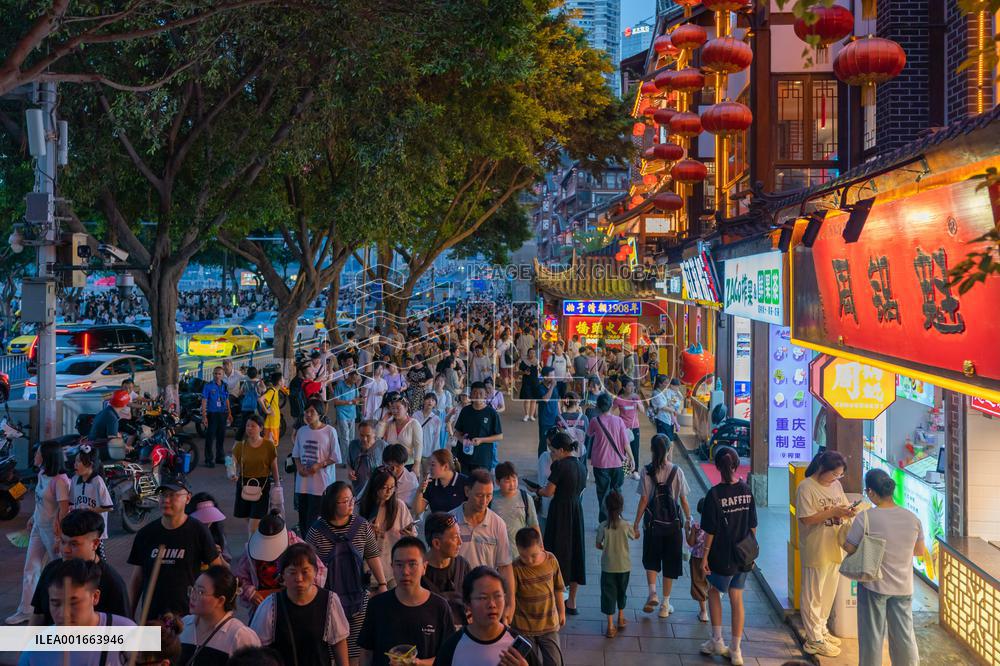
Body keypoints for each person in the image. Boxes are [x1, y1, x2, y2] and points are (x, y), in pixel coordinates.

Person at [845, 469, 924, 666]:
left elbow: (849, 547)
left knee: (871, 637)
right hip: (903, 586)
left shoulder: (866, 518)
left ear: (871, 492)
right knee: (904, 636)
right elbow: (919, 551)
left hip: (874, 585)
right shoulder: (912, 518)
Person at [305, 482, 388, 663]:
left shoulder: (362, 526)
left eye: (352, 499)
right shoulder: (316, 531)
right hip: (327, 603)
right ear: (331, 503)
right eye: (345, 501)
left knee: (355, 653)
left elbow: (372, 555)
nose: (351, 504)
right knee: (331, 652)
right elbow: (307, 564)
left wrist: (382, 584)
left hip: (358, 599)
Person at [128, 477, 223, 620]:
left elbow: (218, 572)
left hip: (188, 619)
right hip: (152, 619)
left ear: (188, 498)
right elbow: (137, 578)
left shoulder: (198, 531)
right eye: (163, 495)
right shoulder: (146, 534)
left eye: (173, 495)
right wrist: (129, 615)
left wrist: (213, 613)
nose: (166, 500)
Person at [699, 446, 757, 666]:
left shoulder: (714, 495)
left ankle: (717, 640)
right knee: (737, 598)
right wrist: (750, 549)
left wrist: (704, 557)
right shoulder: (746, 491)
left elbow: (710, 531)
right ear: (736, 465)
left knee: (714, 592)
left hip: (721, 555)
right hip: (743, 555)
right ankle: (736, 650)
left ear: (717, 466)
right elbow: (753, 525)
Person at [17, 559, 136, 666]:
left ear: (95, 597)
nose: (64, 614)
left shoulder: (126, 632)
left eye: (73, 603)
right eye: (56, 604)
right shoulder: (36, 650)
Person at [358, 537, 454, 666]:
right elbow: (366, 653)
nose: (405, 571)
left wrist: (419, 663)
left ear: (424, 567)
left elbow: (449, 657)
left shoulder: (440, 607)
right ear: (392, 567)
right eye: (399, 565)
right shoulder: (377, 605)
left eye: (412, 564)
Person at [250, 543, 350, 666]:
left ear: (315, 572)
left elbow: (338, 642)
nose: (299, 578)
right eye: (292, 572)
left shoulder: (329, 601)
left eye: (305, 572)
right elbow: (259, 648)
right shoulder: (271, 605)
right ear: (282, 575)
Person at [796, 450, 855, 658]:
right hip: (816, 547)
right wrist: (833, 512)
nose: (836, 478)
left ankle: (821, 629)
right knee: (813, 594)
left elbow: (842, 505)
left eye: (840, 475)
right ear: (822, 469)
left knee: (828, 593)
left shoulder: (836, 485)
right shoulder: (806, 487)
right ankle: (813, 639)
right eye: (834, 474)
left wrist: (847, 512)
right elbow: (806, 519)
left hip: (834, 546)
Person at [29, 510, 130, 626]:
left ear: (95, 544)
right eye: (63, 542)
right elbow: (38, 615)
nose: (65, 550)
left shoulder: (112, 582)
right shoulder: (51, 570)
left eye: (74, 544)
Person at [8, 440, 71, 625]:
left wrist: (59, 537)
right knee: (31, 568)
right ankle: (25, 610)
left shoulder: (61, 481)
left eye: (38, 453)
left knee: (60, 570)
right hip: (38, 528)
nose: (35, 455)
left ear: (47, 457)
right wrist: (33, 517)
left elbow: (64, 510)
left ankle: (65, 610)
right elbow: (40, 501)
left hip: (52, 532)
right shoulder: (42, 474)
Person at [632, 433, 691, 619]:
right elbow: (683, 500)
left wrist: (636, 523)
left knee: (651, 558)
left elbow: (643, 500)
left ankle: (652, 593)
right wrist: (689, 520)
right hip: (673, 526)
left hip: (652, 525)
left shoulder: (646, 471)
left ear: (651, 449)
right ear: (669, 449)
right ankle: (665, 605)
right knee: (670, 562)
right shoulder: (677, 471)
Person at [449, 469, 516, 622]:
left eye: (489, 495)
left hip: (486, 599)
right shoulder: (451, 520)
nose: (484, 501)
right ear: (467, 491)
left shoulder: (497, 524)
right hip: (456, 597)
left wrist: (510, 603)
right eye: (479, 495)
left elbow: (505, 566)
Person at [434, 566, 536, 666]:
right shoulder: (452, 647)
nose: (492, 604)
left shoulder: (517, 648)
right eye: (483, 598)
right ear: (468, 603)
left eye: (497, 596)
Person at [233, 510, 327, 618]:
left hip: (295, 606)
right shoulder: (251, 549)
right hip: (264, 608)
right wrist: (251, 593)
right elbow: (240, 578)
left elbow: (320, 570)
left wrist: (303, 589)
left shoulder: (296, 545)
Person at [534, 431, 586, 616]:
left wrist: (537, 491)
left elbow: (549, 492)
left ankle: (555, 601)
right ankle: (572, 601)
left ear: (562, 450)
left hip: (560, 511)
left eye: (554, 451)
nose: (552, 454)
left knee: (555, 552)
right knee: (576, 553)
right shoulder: (581, 466)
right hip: (576, 510)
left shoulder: (560, 465)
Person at [180, 565, 261, 666]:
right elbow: (161, 656)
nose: (192, 596)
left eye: (200, 592)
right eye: (193, 589)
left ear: (220, 601)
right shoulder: (183, 624)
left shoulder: (240, 636)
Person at [511, 528, 565, 666]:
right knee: (528, 662)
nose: (529, 560)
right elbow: (511, 596)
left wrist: (562, 611)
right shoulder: (515, 567)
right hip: (523, 627)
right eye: (523, 556)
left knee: (554, 661)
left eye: (533, 555)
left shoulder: (551, 560)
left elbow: (558, 588)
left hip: (549, 624)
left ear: (541, 546)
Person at [356, 466, 416, 589]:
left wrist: (409, 537)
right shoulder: (360, 507)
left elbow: (413, 535)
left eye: (392, 487)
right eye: (384, 487)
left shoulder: (399, 506)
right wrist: (366, 534)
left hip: (392, 570)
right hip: (366, 570)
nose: (389, 491)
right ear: (375, 487)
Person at [293, 399, 341, 536]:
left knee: (315, 521)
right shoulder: (302, 431)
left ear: (319, 413)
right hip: (303, 484)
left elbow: (336, 457)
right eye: (306, 411)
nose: (308, 415)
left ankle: (315, 545)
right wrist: (299, 467)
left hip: (321, 485)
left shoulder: (330, 431)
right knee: (303, 519)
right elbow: (296, 454)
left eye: (312, 412)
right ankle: (305, 544)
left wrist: (319, 465)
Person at [587, 393, 635, 524]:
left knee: (603, 493)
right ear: (611, 405)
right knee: (617, 491)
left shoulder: (595, 421)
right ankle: (616, 519)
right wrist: (632, 458)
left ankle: (604, 523)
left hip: (600, 463)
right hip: (618, 463)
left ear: (598, 406)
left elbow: (589, 434)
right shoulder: (619, 421)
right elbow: (626, 442)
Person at [230, 415, 280, 535]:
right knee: (247, 517)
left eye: (253, 426)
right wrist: (232, 473)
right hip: (244, 483)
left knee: (254, 522)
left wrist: (277, 483)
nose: (249, 428)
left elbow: (274, 466)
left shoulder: (268, 445)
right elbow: (232, 462)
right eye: (247, 426)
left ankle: (251, 545)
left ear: (261, 428)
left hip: (262, 485)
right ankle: (258, 539)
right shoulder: (240, 446)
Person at [596, 491, 636, 638]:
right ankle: (621, 617)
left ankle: (610, 625)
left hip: (608, 566)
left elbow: (598, 544)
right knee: (621, 591)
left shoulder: (603, 526)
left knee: (608, 594)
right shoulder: (626, 525)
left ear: (606, 508)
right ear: (621, 507)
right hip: (624, 566)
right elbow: (634, 536)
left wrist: (606, 547)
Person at [421, 512, 471, 628]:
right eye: (455, 538)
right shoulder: (418, 570)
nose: (460, 542)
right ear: (436, 543)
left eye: (459, 535)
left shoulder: (462, 566)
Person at [491, 462, 540, 560]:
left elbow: (534, 525)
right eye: (507, 481)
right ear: (497, 482)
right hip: (496, 553)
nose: (512, 484)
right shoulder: (491, 499)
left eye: (514, 480)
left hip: (520, 553)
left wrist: (540, 547)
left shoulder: (526, 498)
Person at [452, 382, 504, 472]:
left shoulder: (491, 413)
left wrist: (481, 440)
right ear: (471, 395)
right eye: (475, 393)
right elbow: (457, 432)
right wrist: (462, 440)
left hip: (483, 458)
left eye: (481, 393)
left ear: (486, 395)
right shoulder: (465, 411)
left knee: (480, 480)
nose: (478, 396)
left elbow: (499, 436)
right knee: (465, 480)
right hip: (464, 457)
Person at [70, 444, 113, 543]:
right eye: (75, 461)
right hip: (80, 527)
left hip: (95, 530)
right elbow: (71, 503)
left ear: (90, 464)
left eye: (79, 461)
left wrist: (89, 511)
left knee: (96, 552)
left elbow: (108, 506)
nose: (75, 464)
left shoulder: (97, 481)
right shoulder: (74, 479)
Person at [376, 391, 424, 475]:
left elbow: (418, 445)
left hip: (408, 465)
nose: (395, 411)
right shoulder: (389, 424)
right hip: (391, 466)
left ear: (406, 408)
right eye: (393, 408)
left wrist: (417, 464)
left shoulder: (414, 424)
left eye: (398, 408)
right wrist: (384, 419)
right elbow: (378, 436)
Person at [413, 449, 469, 516]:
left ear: (445, 467)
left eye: (433, 465)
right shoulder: (430, 482)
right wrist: (419, 491)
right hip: (436, 521)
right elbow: (417, 511)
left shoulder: (464, 482)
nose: (429, 468)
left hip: (458, 522)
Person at [201, 366, 232, 468]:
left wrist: (229, 413)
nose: (217, 376)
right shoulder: (208, 386)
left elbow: (227, 399)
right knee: (210, 437)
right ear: (213, 374)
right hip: (212, 414)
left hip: (222, 413)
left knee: (221, 436)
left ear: (223, 375)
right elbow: (204, 400)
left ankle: (219, 457)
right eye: (215, 373)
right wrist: (204, 416)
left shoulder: (225, 386)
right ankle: (209, 459)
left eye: (219, 374)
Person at [347, 421, 388, 494]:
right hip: (358, 487)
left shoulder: (383, 446)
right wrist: (350, 471)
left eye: (368, 436)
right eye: (361, 435)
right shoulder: (353, 445)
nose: (364, 439)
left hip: (377, 488)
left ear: (374, 434)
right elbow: (349, 463)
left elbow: (388, 467)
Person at [332, 371, 363, 464]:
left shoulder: (354, 386)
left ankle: (351, 457)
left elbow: (357, 398)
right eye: (353, 379)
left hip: (352, 413)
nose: (354, 381)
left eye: (356, 380)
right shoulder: (340, 385)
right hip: (342, 413)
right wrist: (350, 402)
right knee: (345, 437)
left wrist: (360, 400)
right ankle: (346, 460)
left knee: (351, 437)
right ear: (349, 376)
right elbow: (336, 401)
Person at [613, 380, 642, 479]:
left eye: (633, 386)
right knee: (623, 450)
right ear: (624, 388)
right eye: (629, 386)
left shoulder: (636, 397)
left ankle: (635, 471)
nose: (632, 388)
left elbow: (642, 410)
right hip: (623, 428)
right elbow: (611, 410)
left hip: (634, 427)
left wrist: (637, 403)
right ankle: (625, 471)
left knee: (635, 449)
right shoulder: (619, 399)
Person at [687, 499, 710, 622]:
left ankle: (704, 612)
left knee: (698, 583)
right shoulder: (716, 527)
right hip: (711, 559)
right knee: (709, 582)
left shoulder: (696, 527)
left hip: (697, 559)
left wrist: (687, 530)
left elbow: (690, 543)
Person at [535, 368, 560, 456]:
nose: (554, 377)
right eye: (551, 375)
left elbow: (557, 400)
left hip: (555, 418)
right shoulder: (540, 387)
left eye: (554, 375)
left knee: (555, 442)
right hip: (545, 419)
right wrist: (552, 386)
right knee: (543, 442)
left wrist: (560, 415)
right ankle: (541, 461)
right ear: (545, 377)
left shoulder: (555, 387)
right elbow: (546, 399)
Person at [236, 367, 264, 440]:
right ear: (256, 374)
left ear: (247, 374)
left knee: (244, 423)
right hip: (255, 406)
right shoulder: (259, 382)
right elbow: (263, 390)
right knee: (258, 422)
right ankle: (259, 438)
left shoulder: (245, 383)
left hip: (246, 406)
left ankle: (238, 439)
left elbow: (239, 393)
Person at [416, 393, 442, 464]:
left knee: (427, 471)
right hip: (415, 452)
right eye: (428, 399)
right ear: (423, 401)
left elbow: (436, 438)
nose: (430, 401)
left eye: (433, 400)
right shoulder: (415, 415)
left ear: (435, 404)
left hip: (428, 453)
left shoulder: (436, 419)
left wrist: (435, 454)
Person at [261, 372, 283, 445]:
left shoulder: (275, 391)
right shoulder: (272, 391)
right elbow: (260, 399)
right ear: (279, 382)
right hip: (271, 424)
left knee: (272, 445)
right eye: (283, 379)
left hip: (274, 423)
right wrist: (266, 411)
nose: (284, 380)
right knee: (271, 445)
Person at [518, 348, 541, 422]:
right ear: (528, 354)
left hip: (535, 382)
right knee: (527, 399)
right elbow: (519, 371)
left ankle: (531, 415)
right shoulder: (524, 362)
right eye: (531, 352)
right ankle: (526, 415)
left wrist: (540, 367)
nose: (532, 354)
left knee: (533, 400)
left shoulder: (537, 362)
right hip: (526, 382)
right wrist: (524, 372)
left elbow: (541, 371)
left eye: (534, 353)